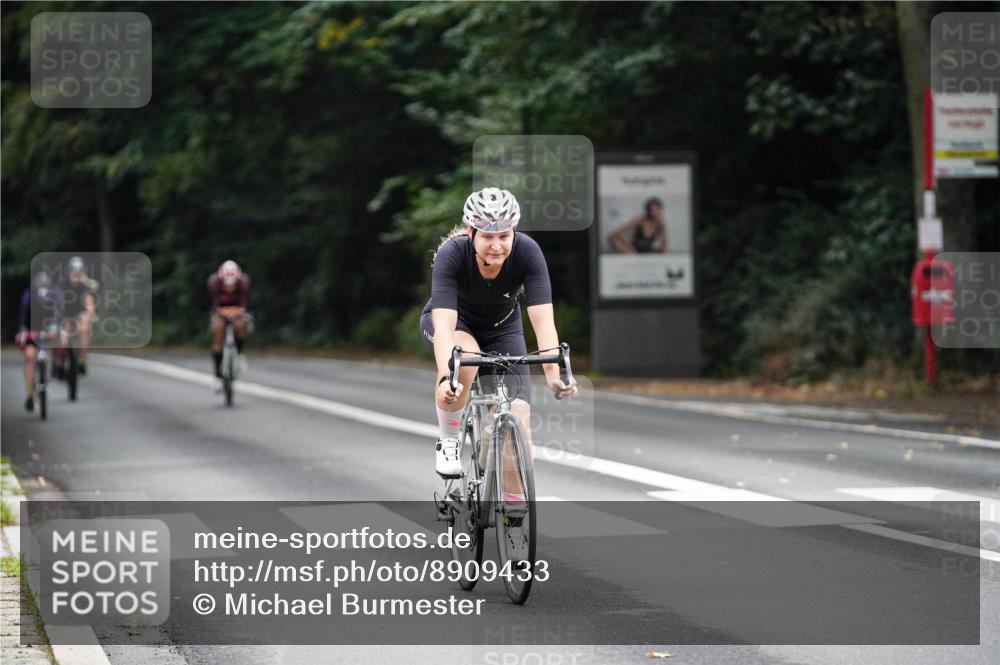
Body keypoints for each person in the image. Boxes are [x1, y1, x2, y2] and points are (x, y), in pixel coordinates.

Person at [419, 187, 577, 505]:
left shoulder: (528, 253)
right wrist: (446, 375)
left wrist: (553, 372)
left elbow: (543, 322)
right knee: (468, 359)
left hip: (503, 330)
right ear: (471, 233)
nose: (496, 245)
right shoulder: (452, 254)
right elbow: (446, 326)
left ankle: (513, 509)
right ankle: (449, 439)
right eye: (487, 237)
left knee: (517, 417)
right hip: (456, 325)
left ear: (514, 233)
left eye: (504, 236)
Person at [15, 270, 63, 411]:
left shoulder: (54, 295)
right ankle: (30, 392)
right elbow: (23, 318)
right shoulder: (28, 295)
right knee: (30, 356)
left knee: (61, 343)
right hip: (32, 328)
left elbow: (58, 315)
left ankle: (56, 367)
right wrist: (22, 333)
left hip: (49, 327)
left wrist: (56, 329)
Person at [207, 260, 250, 391]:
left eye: (232, 286)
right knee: (219, 334)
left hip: (237, 311)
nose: (229, 288)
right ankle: (217, 376)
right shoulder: (214, 282)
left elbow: (244, 303)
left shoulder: (243, 282)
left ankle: (240, 353)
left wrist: (239, 311)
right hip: (220, 311)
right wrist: (221, 311)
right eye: (227, 285)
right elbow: (214, 304)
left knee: (241, 325)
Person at [53, 256, 97, 378]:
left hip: (78, 315)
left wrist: (89, 314)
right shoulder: (62, 284)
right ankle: (59, 363)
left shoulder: (84, 286)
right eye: (73, 271)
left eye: (78, 272)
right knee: (64, 337)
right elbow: (56, 304)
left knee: (84, 329)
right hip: (64, 315)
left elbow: (89, 304)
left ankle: (82, 360)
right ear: (69, 271)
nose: (75, 275)